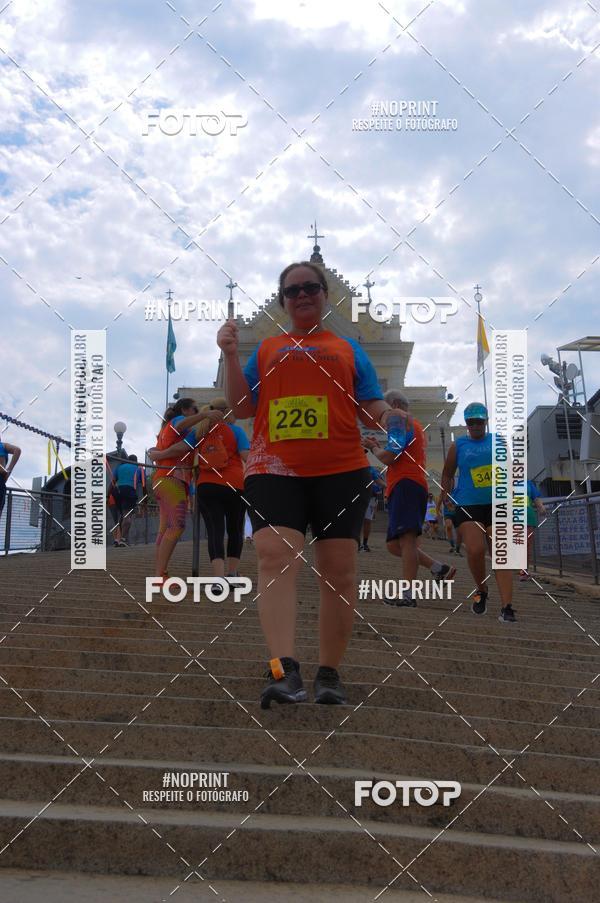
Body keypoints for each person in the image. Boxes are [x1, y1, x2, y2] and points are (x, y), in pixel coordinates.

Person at [217, 261, 396, 709]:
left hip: (341, 468)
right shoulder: (268, 348)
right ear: (282, 300)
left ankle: (330, 673)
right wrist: (231, 354)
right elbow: (241, 407)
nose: (302, 295)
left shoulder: (350, 347)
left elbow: (370, 401)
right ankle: (284, 670)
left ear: (324, 294)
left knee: (339, 571)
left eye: (311, 288)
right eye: (292, 290)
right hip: (274, 468)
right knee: (275, 557)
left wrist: (388, 417)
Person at [364, 389, 455, 607]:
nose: (381, 419)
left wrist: (374, 447)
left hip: (406, 484)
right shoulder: (410, 424)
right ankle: (438, 568)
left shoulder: (398, 418)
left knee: (406, 541)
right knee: (394, 545)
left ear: (393, 404)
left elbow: (389, 456)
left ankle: (408, 595)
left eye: (381, 411)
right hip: (405, 485)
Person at [441, 402, 516, 623]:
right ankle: (481, 590)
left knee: (500, 554)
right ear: (466, 424)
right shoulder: (458, 445)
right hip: (468, 503)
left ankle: (507, 607)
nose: (475, 425)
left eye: (479, 421)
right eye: (471, 422)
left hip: (498, 503)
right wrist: (445, 493)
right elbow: (447, 473)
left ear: (486, 421)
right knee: (475, 549)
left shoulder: (498, 441)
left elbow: (511, 469)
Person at [149, 399, 223, 581]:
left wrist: (158, 454)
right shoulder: (179, 422)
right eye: (194, 409)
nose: (197, 412)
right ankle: (160, 575)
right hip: (172, 479)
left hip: (163, 479)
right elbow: (181, 433)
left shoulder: (166, 430)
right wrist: (205, 415)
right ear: (184, 410)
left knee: (165, 527)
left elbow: (162, 450)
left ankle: (160, 573)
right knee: (177, 525)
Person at [194, 399, 249, 594]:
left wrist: (161, 453)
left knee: (215, 531)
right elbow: (245, 456)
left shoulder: (200, 431)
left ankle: (218, 580)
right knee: (235, 530)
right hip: (234, 484)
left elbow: (182, 450)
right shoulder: (237, 431)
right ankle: (232, 576)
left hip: (207, 485)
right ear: (227, 412)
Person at [111, 454, 144, 546]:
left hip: (116, 492)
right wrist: (145, 498)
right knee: (127, 516)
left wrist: (107, 495)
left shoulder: (119, 467)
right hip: (129, 491)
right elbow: (143, 485)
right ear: (136, 461)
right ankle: (123, 540)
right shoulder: (139, 468)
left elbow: (112, 482)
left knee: (121, 516)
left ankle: (117, 540)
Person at [521, 479, 546, 580]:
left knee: (526, 545)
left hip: (527, 517)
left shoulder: (527, 482)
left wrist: (541, 507)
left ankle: (524, 571)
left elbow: (535, 497)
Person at [360, 464, 385, 551]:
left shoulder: (371, 469)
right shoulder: (352, 467)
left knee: (367, 521)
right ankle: (358, 544)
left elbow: (379, 482)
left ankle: (364, 544)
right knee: (358, 521)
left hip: (370, 498)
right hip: (357, 498)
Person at [0, 439, 21, 517]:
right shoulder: (3, 446)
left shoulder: (2, 446)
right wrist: (9, 470)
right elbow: (17, 450)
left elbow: (17, 450)